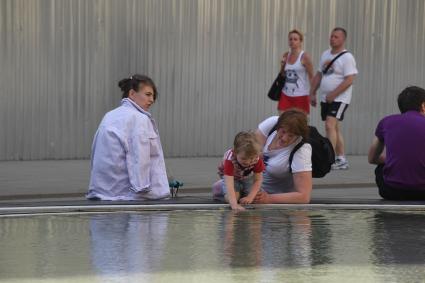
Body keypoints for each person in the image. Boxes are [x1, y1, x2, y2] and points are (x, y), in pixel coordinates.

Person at [87, 74, 170, 200]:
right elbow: (139, 158)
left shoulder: (110, 116)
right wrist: (143, 191)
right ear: (132, 94)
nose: (152, 99)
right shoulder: (138, 118)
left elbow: (94, 152)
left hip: (102, 193)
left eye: (153, 96)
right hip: (126, 196)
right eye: (148, 94)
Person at [309, 27, 358, 170]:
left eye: (336, 37)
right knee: (334, 127)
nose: (332, 39)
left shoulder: (347, 57)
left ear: (343, 39)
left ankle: (329, 160)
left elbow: (350, 79)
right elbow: (319, 75)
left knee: (329, 125)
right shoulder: (325, 55)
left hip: (340, 98)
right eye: (331, 36)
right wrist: (312, 93)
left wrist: (334, 94)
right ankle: (341, 159)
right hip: (326, 98)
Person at [368, 86, 425, 200]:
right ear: (423, 105)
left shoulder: (386, 122)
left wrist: (392, 160)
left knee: (380, 167)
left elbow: (372, 158)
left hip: (392, 191)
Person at [253, 109, 312, 204]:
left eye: (291, 136)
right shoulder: (272, 123)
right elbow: (247, 150)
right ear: (278, 127)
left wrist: (268, 199)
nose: (284, 138)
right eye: (283, 132)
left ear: (298, 136)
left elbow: (304, 197)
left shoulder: (301, 151)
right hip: (250, 186)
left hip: (272, 196)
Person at [212, 131, 265, 211]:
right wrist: (234, 205)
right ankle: (219, 187)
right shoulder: (230, 160)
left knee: (255, 198)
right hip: (232, 178)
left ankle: (242, 191)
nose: (248, 162)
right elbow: (229, 184)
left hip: (247, 177)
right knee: (232, 199)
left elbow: (258, 180)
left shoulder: (256, 159)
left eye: (251, 159)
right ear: (235, 152)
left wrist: (250, 197)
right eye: (244, 158)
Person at [278, 29, 314, 114]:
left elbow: (311, 76)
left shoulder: (305, 57)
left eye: (295, 39)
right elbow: (282, 74)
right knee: (282, 122)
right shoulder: (286, 55)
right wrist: (282, 65)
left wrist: (312, 94)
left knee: (300, 124)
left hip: (300, 95)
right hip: (285, 95)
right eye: (290, 39)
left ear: (300, 41)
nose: (292, 41)